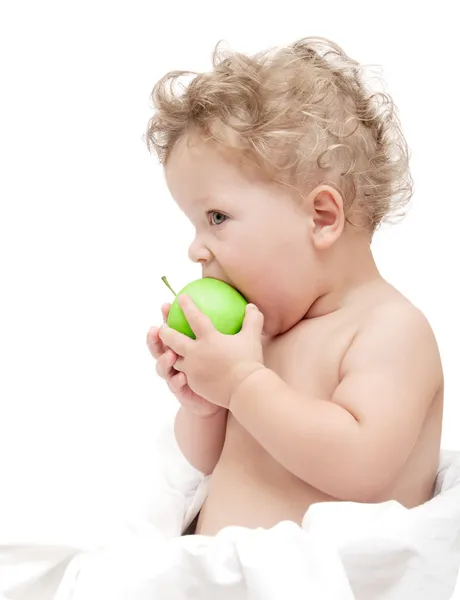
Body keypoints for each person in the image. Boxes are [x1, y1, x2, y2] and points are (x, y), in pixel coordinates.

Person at [145, 37, 443, 537]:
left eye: (217, 217)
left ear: (322, 217)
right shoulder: (258, 335)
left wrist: (242, 384)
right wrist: (205, 405)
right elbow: (206, 464)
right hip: (217, 576)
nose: (196, 249)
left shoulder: (390, 332)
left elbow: (361, 468)